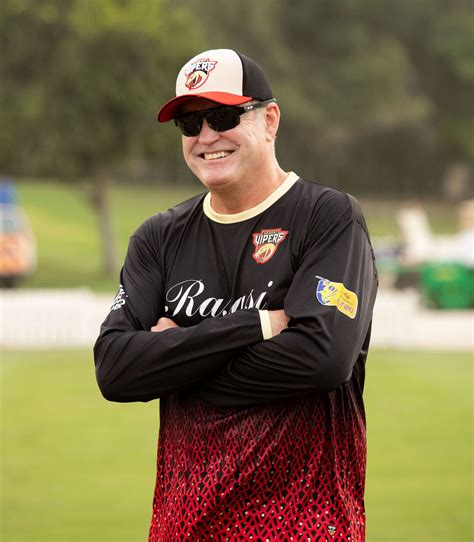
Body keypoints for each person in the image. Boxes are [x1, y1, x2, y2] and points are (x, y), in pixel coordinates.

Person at [94, 48, 378, 541]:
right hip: (182, 527)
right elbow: (116, 369)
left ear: (269, 120)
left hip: (306, 527)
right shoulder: (157, 237)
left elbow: (321, 360)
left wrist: (175, 359)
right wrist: (260, 325)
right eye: (190, 124)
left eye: (223, 116)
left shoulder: (328, 217)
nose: (206, 137)